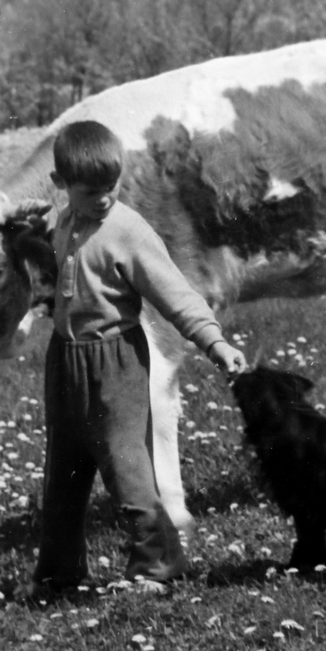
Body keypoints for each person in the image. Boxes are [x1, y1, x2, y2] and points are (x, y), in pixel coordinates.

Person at [35, 119, 246, 593]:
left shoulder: (127, 230)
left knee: (128, 466)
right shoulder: (60, 220)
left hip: (114, 364)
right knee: (63, 476)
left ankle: (159, 565)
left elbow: (176, 292)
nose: (105, 199)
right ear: (61, 187)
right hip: (65, 360)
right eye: (91, 192)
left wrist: (215, 342)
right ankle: (60, 575)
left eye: (111, 187)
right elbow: (38, 231)